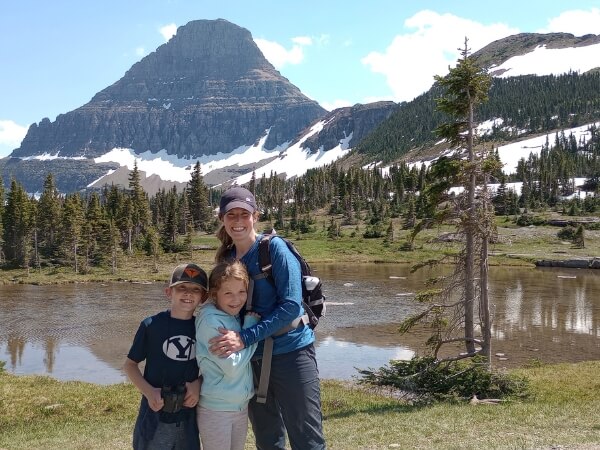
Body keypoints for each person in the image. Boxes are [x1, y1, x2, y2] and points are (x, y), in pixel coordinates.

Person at [209, 186, 326, 450]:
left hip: (292, 353)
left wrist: (244, 337)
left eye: (244, 214)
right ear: (222, 219)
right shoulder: (226, 258)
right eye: (231, 215)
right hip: (251, 359)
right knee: (267, 437)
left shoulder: (275, 249)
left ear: (255, 216)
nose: (238, 221)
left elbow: (291, 307)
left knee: (307, 436)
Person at [124, 263, 208, 450]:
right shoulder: (151, 325)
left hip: (188, 416)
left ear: (203, 297)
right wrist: (149, 391)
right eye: (182, 288)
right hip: (154, 412)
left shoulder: (204, 328)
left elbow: (215, 367)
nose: (188, 293)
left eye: (196, 289)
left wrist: (198, 384)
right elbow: (130, 365)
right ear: (168, 292)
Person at [195, 260, 260, 450]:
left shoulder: (231, 316)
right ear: (215, 294)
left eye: (242, 292)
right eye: (228, 293)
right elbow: (232, 366)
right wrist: (251, 331)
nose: (236, 299)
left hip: (239, 405)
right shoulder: (210, 322)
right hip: (216, 409)